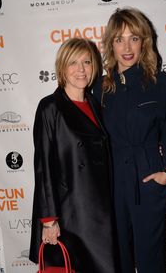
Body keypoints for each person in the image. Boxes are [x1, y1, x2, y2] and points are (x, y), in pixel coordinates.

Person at [93, 7, 166, 273]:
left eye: (134, 38)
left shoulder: (163, 83)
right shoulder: (99, 87)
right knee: (116, 258)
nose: (127, 46)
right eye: (119, 39)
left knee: (151, 261)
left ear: (144, 41)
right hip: (111, 184)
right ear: (111, 44)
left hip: (149, 178)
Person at [29, 38, 120, 273]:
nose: (81, 69)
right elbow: (44, 167)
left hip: (101, 211)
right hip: (70, 213)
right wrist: (49, 220)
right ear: (62, 68)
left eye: (87, 62)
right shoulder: (50, 108)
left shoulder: (95, 104)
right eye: (73, 63)